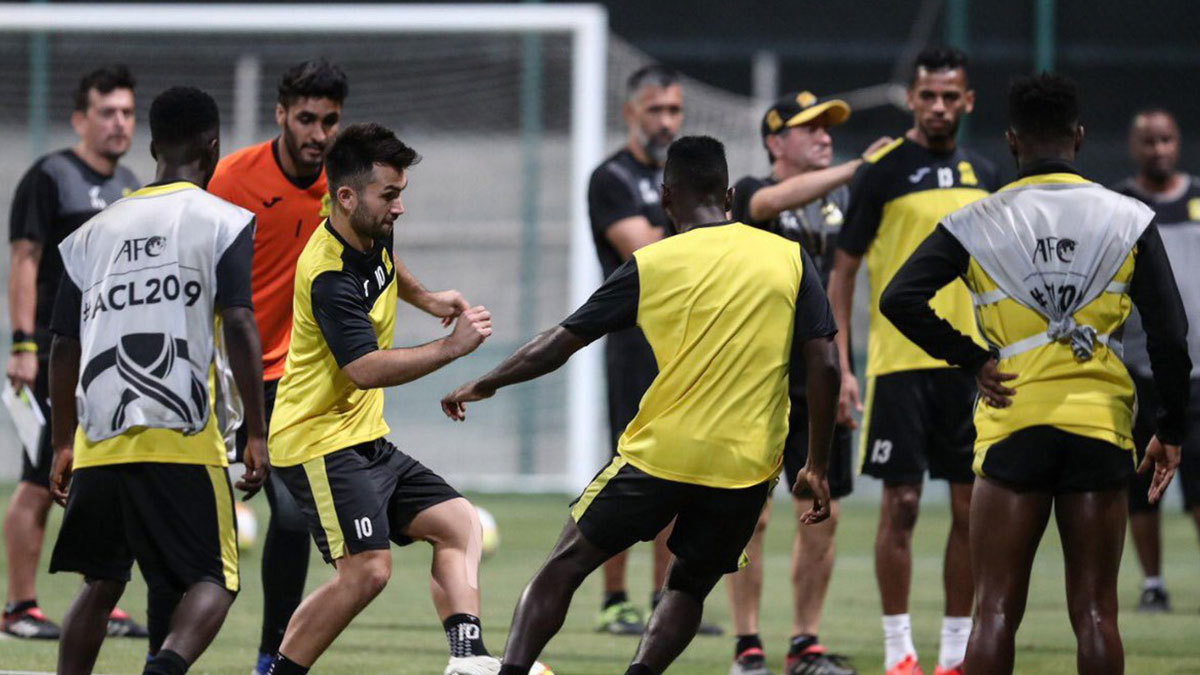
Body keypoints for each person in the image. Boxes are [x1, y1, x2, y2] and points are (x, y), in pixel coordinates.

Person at [442, 135, 841, 675]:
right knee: (688, 586)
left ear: (666, 198)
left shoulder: (651, 263)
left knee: (567, 563)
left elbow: (562, 341)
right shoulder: (789, 258)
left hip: (660, 455)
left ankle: (512, 674)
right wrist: (816, 465)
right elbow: (826, 365)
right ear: (727, 195)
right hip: (744, 468)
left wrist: (486, 381)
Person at [880, 72, 1190, 675]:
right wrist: (1170, 428)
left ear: (1012, 141)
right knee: (1098, 612)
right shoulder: (1129, 218)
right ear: (1078, 137)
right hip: (1099, 427)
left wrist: (973, 358)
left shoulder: (977, 222)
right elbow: (1170, 338)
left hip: (1012, 422)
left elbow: (900, 298)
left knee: (993, 610)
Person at [204, 58, 470, 675]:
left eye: (329, 119)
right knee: (299, 531)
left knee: (299, 523)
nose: (317, 131)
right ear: (281, 115)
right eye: (306, 118)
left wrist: (425, 298)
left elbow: (379, 260)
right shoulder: (237, 181)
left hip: (321, 386)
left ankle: (274, 657)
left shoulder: (359, 197)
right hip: (258, 378)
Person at [45, 85, 268, 675]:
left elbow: (63, 345)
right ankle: (163, 669)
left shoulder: (91, 234)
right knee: (215, 580)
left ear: (152, 146)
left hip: (99, 441)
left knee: (101, 582)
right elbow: (241, 323)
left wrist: (64, 441)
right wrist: (256, 431)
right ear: (212, 146)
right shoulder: (220, 220)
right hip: (183, 439)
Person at [263, 122, 497, 675]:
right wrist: (451, 347)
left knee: (461, 523)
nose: (399, 208)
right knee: (367, 571)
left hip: (363, 438)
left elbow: (389, 268)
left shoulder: (366, 228)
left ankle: (467, 662)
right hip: (315, 439)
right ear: (346, 197)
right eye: (389, 195)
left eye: (401, 194)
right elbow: (364, 370)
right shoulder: (328, 275)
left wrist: (428, 297)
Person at [825, 46, 998, 675]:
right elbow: (842, 273)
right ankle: (899, 651)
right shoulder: (883, 170)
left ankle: (955, 653)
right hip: (898, 365)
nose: (939, 106)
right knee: (900, 507)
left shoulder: (985, 174)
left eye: (951, 96)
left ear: (968, 101)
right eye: (928, 95)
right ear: (913, 99)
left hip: (973, 367)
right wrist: (842, 365)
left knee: (969, 511)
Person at [726, 91, 890, 675]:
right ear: (775, 141)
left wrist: (846, 369)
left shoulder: (840, 200)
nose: (824, 135)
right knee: (750, 514)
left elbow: (841, 295)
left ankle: (804, 645)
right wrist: (857, 165)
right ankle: (747, 648)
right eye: (809, 128)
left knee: (822, 508)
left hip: (818, 381)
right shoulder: (747, 190)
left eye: (829, 127)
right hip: (757, 381)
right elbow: (768, 201)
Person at [3, 64, 147, 641]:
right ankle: (18, 608)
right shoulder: (50, 176)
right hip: (52, 351)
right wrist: (22, 344)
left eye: (127, 113)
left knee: (104, 477)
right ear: (79, 119)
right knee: (41, 478)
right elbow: (24, 259)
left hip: (109, 360)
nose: (119, 123)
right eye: (107, 112)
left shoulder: (131, 184)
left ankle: (101, 600)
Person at [587, 63, 714, 636]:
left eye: (675, 111)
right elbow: (643, 248)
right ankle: (614, 599)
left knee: (683, 471)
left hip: (689, 344)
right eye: (657, 111)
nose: (667, 122)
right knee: (627, 470)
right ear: (630, 113)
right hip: (635, 342)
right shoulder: (611, 177)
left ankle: (665, 594)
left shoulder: (680, 183)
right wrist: (709, 220)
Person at [1110, 108, 1200, 613]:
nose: (1158, 150)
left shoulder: (1198, 199)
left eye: (1166, 139)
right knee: (1141, 484)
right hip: (1139, 368)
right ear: (1133, 145)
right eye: (1148, 141)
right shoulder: (1120, 204)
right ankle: (1152, 583)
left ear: (1178, 140)